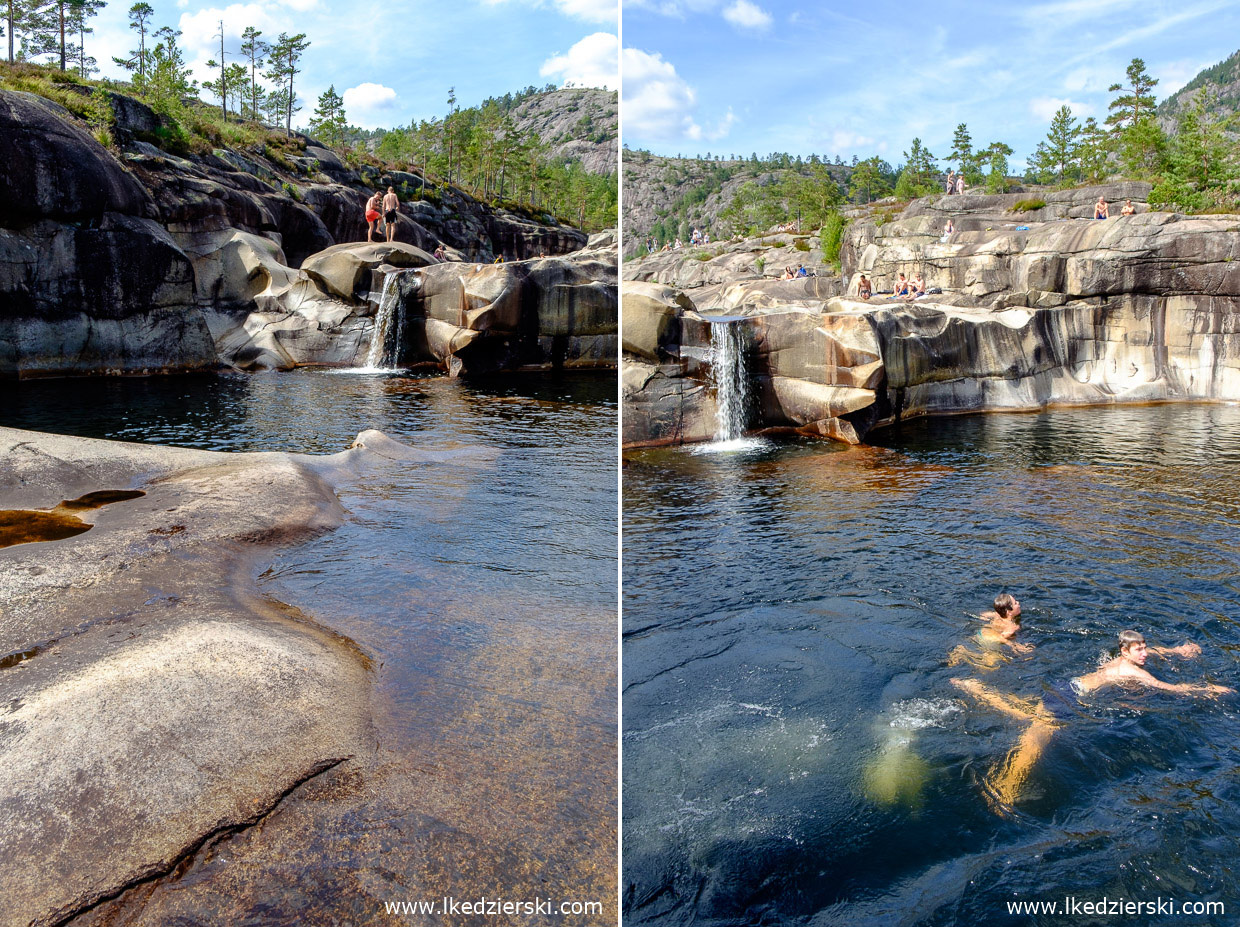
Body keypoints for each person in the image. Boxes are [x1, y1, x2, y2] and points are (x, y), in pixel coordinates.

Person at [952, 629, 1231, 812]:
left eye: (1145, 647)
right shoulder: (1135, 673)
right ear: (1125, 652)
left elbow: (1153, 651)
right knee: (1035, 740)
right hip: (1070, 699)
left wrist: (1178, 651)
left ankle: (978, 689)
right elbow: (1172, 690)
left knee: (1031, 719)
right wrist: (1209, 690)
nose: (1145, 653)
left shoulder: (1117, 658)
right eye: (1139, 650)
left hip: (1066, 686)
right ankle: (1003, 791)